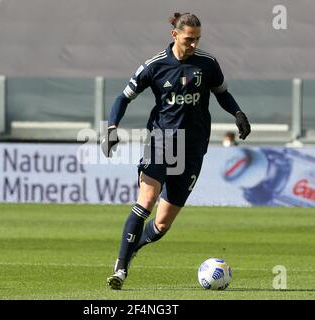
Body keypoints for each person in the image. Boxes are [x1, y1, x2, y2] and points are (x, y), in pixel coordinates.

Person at [101, 12, 251, 290]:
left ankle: (133, 246)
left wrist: (237, 113)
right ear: (175, 35)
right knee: (146, 200)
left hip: (193, 149)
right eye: (189, 39)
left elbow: (222, 93)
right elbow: (123, 98)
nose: (194, 44)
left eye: (197, 39)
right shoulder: (154, 66)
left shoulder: (207, 64)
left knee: (161, 226)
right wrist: (112, 127)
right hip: (162, 142)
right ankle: (120, 268)